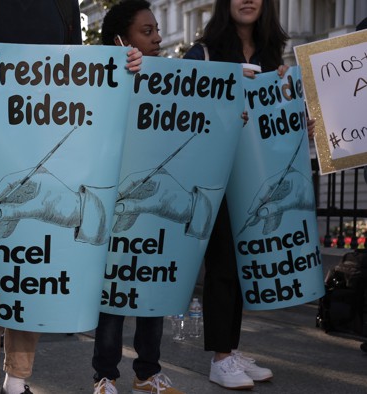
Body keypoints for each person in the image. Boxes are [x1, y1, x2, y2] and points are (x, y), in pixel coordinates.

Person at [0, 1, 142, 393]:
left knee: (35, 268)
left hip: (49, 146)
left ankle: (17, 380)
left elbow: (81, 73)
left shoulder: (63, 3)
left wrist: (122, 65)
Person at [182, 0, 288, 389]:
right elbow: (183, 107)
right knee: (223, 263)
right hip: (216, 172)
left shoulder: (271, 53)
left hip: (255, 174)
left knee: (242, 267)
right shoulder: (203, 53)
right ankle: (220, 357)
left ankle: (231, 347)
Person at [90, 3, 184, 394]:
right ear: (120, 41)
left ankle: (147, 373)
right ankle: (105, 377)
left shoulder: (177, 82)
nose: (159, 38)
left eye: (157, 30)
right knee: (114, 294)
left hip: (153, 208)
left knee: (152, 287)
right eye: (147, 31)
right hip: (117, 208)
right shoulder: (98, 83)